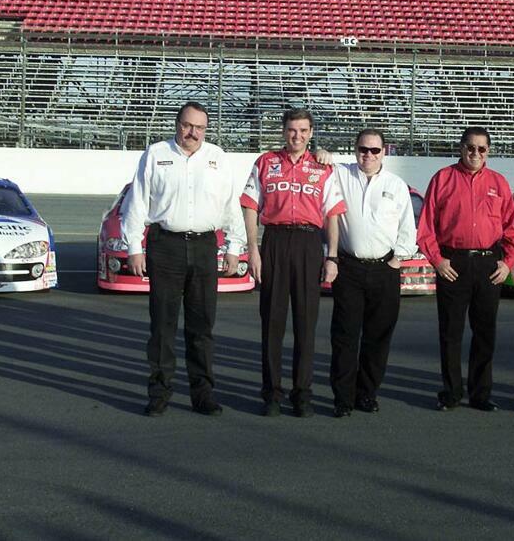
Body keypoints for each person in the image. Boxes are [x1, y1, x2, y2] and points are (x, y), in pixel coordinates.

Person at [122, 101, 246, 417]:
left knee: (202, 327)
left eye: (200, 127)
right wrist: (134, 246)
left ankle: (202, 395)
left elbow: (231, 205)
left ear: (206, 129)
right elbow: (137, 202)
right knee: (162, 325)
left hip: (205, 246)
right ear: (177, 124)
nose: (193, 133)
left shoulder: (217, 158)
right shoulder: (155, 154)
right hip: (165, 245)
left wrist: (234, 246)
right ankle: (159, 393)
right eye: (188, 125)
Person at [241, 108, 345, 418]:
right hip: (274, 240)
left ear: (311, 133)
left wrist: (332, 256)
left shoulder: (324, 167)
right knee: (272, 323)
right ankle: (271, 394)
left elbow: (333, 215)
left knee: (305, 324)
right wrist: (253, 249)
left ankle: (302, 394)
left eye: (302, 130)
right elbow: (249, 206)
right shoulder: (265, 162)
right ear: (283, 131)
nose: (296, 136)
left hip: (309, 244)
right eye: (291, 130)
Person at [417, 126, 514, 412]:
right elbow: (426, 227)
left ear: (489, 151)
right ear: (461, 148)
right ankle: (450, 392)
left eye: (482, 149)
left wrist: (508, 262)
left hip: (489, 264)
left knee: (485, 332)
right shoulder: (443, 179)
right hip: (454, 264)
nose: (475, 153)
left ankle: (480, 394)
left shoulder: (498, 183)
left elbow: (512, 228)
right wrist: (437, 260)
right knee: (451, 332)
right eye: (470, 147)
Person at [328, 129, 418, 418]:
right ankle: (342, 398)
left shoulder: (396, 185)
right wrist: (322, 155)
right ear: (355, 150)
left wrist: (398, 258)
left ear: (384, 152)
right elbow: (321, 164)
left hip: (384, 269)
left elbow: (408, 227)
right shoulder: (339, 174)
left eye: (375, 150)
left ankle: (366, 394)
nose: (368, 155)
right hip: (349, 267)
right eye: (363, 149)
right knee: (345, 336)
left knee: (378, 337)